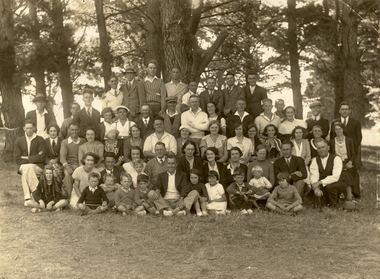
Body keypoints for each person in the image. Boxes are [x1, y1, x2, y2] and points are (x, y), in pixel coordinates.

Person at [14, 120, 47, 204]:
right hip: (23, 166)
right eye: (27, 128)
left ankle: (27, 198)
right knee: (28, 167)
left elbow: (41, 157)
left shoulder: (40, 139)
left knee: (27, 169)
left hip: (37, 166)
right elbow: (17, 158)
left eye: (31, 128)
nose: (29, 130)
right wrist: (34, 157)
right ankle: (37, 196)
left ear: (34, 128)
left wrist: (26, 158)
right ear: (24, 128)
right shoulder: (19, 140)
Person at [310, 139, 346, 207]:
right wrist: (316, 188)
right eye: (319, 148)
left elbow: (335, 177)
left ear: (328, 148)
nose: (321, 150)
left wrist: (319, 182)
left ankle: (334, 203)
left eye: (323, 147)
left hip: (338, 183)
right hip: (323, 184)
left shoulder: (336, 159)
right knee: (318, 198)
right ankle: (325, 202)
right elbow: (314, 175)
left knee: (330, 186)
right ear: (317, 150)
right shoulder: (315, 160)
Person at [329, 122, 360, 200]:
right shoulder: (332, 141)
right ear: (334, 131)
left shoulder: (349, 140)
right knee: (340, 173)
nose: (338, 131)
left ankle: (349, 195)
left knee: (347, 173)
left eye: (340, 129)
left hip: (348, 161)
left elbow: (353, 154)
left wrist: (350, 162)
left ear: (343, 130)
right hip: (337, 162)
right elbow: (331, 155)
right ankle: (344, 194)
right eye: (336, 129)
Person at [330, 102, 362, 167]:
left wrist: (352, 147)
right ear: (339, 111)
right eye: (343, 109)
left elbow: (359, 137)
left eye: (346, 109)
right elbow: (332, 136)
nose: (344, 111)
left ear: (349, 111)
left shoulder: (355, 123)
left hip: (351, 151)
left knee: (350, 170)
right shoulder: (334, 122)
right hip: (338, 150)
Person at [60, 123, 85, 199]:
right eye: (72, 130)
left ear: (79, 130)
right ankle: (68, 196)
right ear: (68, 131)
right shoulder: (65, 142)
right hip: (69, 165)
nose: (74, 131)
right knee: (68, 174)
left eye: (76, 129)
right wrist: (67, 167)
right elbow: (62, 157)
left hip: (80, 164)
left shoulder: (83, 141)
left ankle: (83, 196)